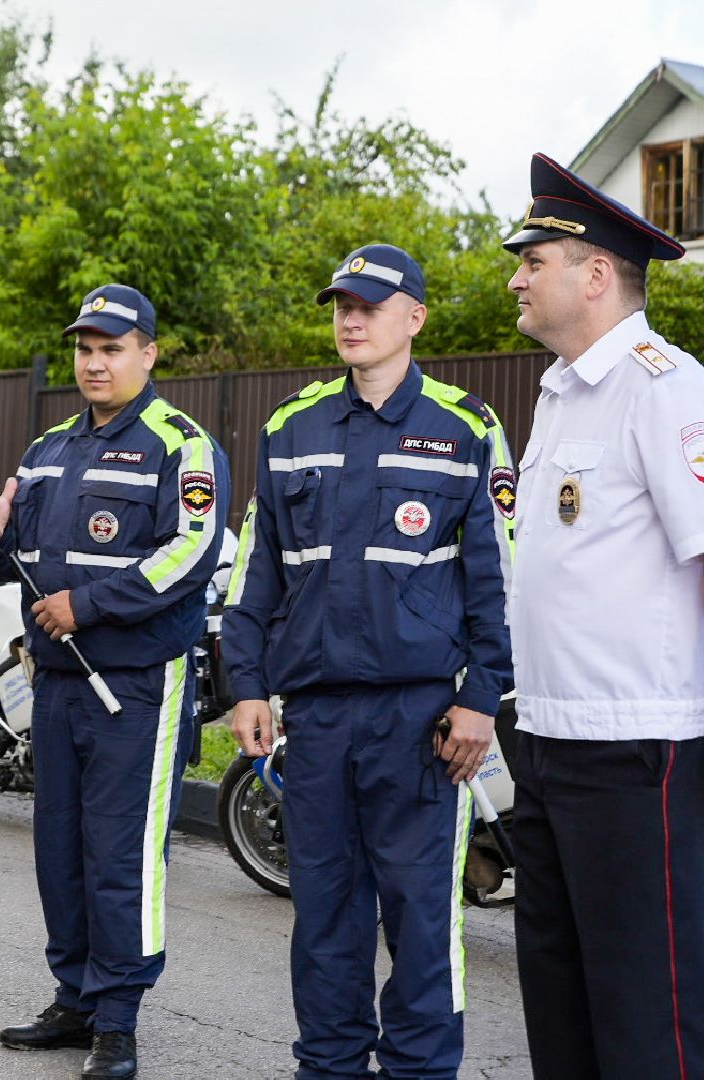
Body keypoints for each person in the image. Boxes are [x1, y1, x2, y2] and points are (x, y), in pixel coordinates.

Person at [500, 152, 704, 1080]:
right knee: (564, 1011)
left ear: (597, 272)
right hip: (547, 742)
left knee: (646, 1020)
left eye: (533, 259)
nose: (516, 277)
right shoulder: (562, 394)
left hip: (637, 753)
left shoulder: (667, 389)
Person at [221, 244, 515, 1080]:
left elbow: (500, 578)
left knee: (421, 922)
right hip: (316, 721)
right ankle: (330, 1068)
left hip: (422, 725)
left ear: (414, 318)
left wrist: (483, 696)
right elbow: (257, 572)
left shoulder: (466, 427)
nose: (351, 318)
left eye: (371, 305)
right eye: (342, 304)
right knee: (324, 921)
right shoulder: (292, 426)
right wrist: (248, 683)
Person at [0, 284, 229, 1080]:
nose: (94, 361)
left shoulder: (180, 445)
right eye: (85, 348)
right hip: (58, 684)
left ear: (148, 353)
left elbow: (192, 552)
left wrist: (91, 605)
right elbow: (14, 560)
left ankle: (119, 1020)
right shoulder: (47, 449)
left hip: (139, 686)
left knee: (123, 853)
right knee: (62, 848)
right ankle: (74, 999)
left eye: (112, 348)